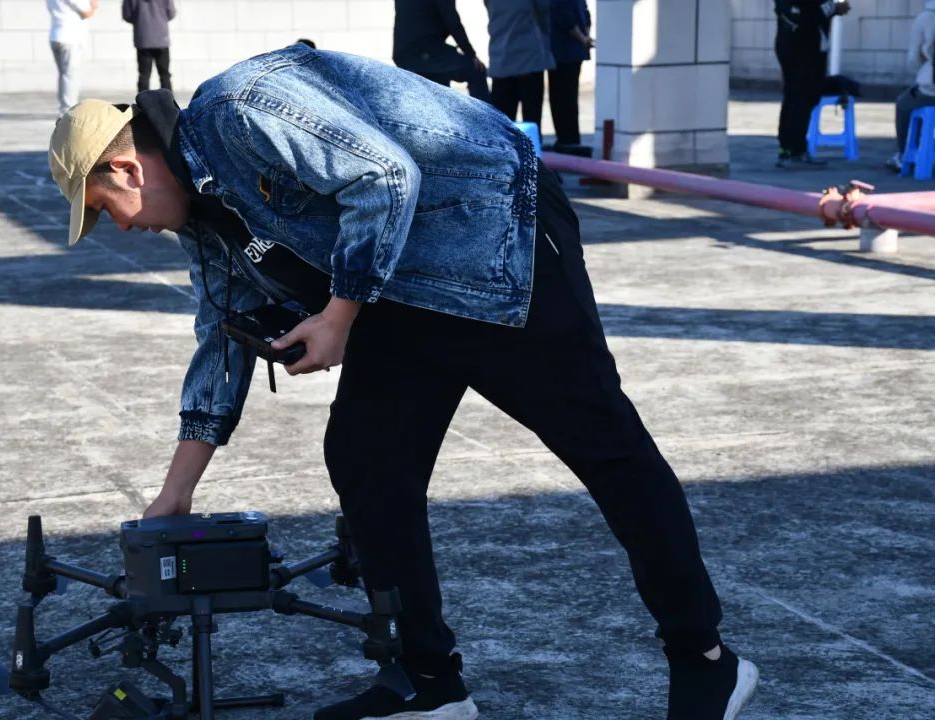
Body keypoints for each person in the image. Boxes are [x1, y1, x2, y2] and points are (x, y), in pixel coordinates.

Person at [47, 44, 759, 720]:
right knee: (367, 460)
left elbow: (384, 176)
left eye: (105, 211)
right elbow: (220, 336)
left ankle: (705, 658)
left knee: (608, 451)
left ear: (127, 169)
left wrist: (336, 318)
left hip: (499, 241)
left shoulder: (241, 108)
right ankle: (429, 682)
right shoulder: (203, 218)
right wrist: (178, 493)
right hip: (403, 284)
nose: (121, 229)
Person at [773, 0, 851, 168]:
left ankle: (791, 149)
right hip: (802, 46)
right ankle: (792, 149)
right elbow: (805, 14)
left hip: (800, 43)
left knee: (799, 96)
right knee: (801, 97)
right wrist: (834, 7)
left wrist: (833, 8)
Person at [392, 0, 489, 102]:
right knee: (475, 69)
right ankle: (484, 112)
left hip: (406, 53)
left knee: (440, 83)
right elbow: (452, 21)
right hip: (424, 51)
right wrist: (471, 54)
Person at [485, 0, 555, 127]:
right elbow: (543, 12)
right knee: (531, 118)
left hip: (501, 58)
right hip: (529, 57)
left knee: (502, 122)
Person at [887, 0, 935, 171]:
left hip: (930, 89)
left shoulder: (926, 18)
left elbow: (913, 59)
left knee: (905, 103)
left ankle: (906, 153)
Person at [548, 0, 593, 151]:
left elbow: (565, 18)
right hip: (575, 50)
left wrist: (582, 38)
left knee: (560, 98)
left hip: (561, 51)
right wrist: (585, 37)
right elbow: (586, 15)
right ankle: (572, 138)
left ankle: (566, 140)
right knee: (570, 97)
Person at [46, 0, 99, 116]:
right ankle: (68, 111)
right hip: (70, 39)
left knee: (64, 75)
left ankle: (63, 108)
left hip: (55, 36)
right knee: (70, 76)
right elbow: (86, 13)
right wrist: (94, 5)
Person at [122, 0, 176, 93]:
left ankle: (142, 101)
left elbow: (127, 15)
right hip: (161, 38)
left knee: (144, 74)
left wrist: (140, 20)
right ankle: (168, 101)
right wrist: (160, 19)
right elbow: (171, 12)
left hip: (143, 38)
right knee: (165, 75)